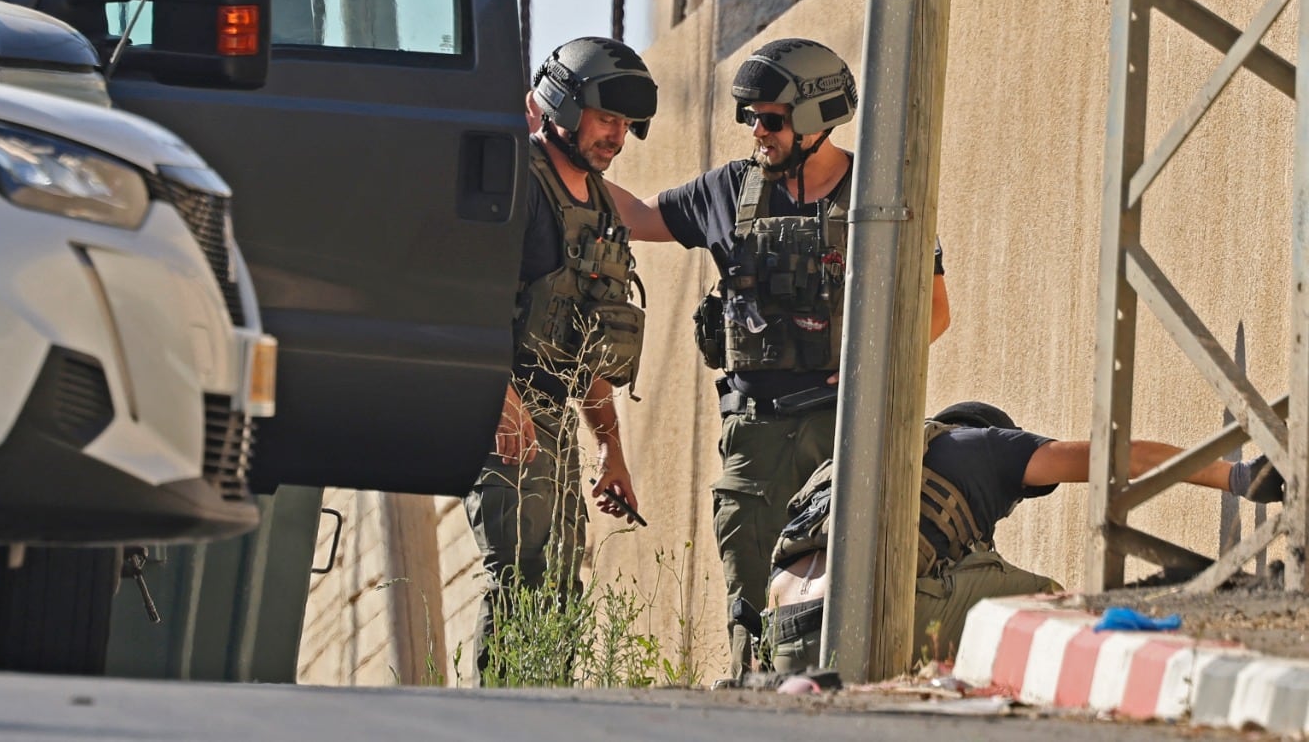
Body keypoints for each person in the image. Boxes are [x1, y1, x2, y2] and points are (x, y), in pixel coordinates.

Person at [607, 37, 951, 680]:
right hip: (754, 438)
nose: (756, 132)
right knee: (752, 606)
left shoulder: (880, 196)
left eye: (771, 118)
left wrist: (861, 370)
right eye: (751, 118)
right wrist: (552, 157)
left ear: (816, 118)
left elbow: (934, 310)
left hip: (844, 432)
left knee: (849, 597)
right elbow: (637, 217)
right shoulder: (730, 190)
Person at [763, 400, 1285, 671]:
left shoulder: (872, 460)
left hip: (783, 632)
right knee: (1046, 610)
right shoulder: (988, 448)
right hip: (859, 614)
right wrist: (1236, 477)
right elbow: (1117, 456)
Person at [467, 36, 657, 683]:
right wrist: (498, 395)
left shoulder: (602, 208)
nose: (617, 137)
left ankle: (540, 711)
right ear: (562, 106)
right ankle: (494, 720)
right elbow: (467, 296)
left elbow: (593, 344)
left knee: (561, 584)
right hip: (505, 404)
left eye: (626, 125)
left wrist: (612, 450)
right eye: (607, 118)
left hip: (555, 416)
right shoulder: (519, 183)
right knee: (520, 573)